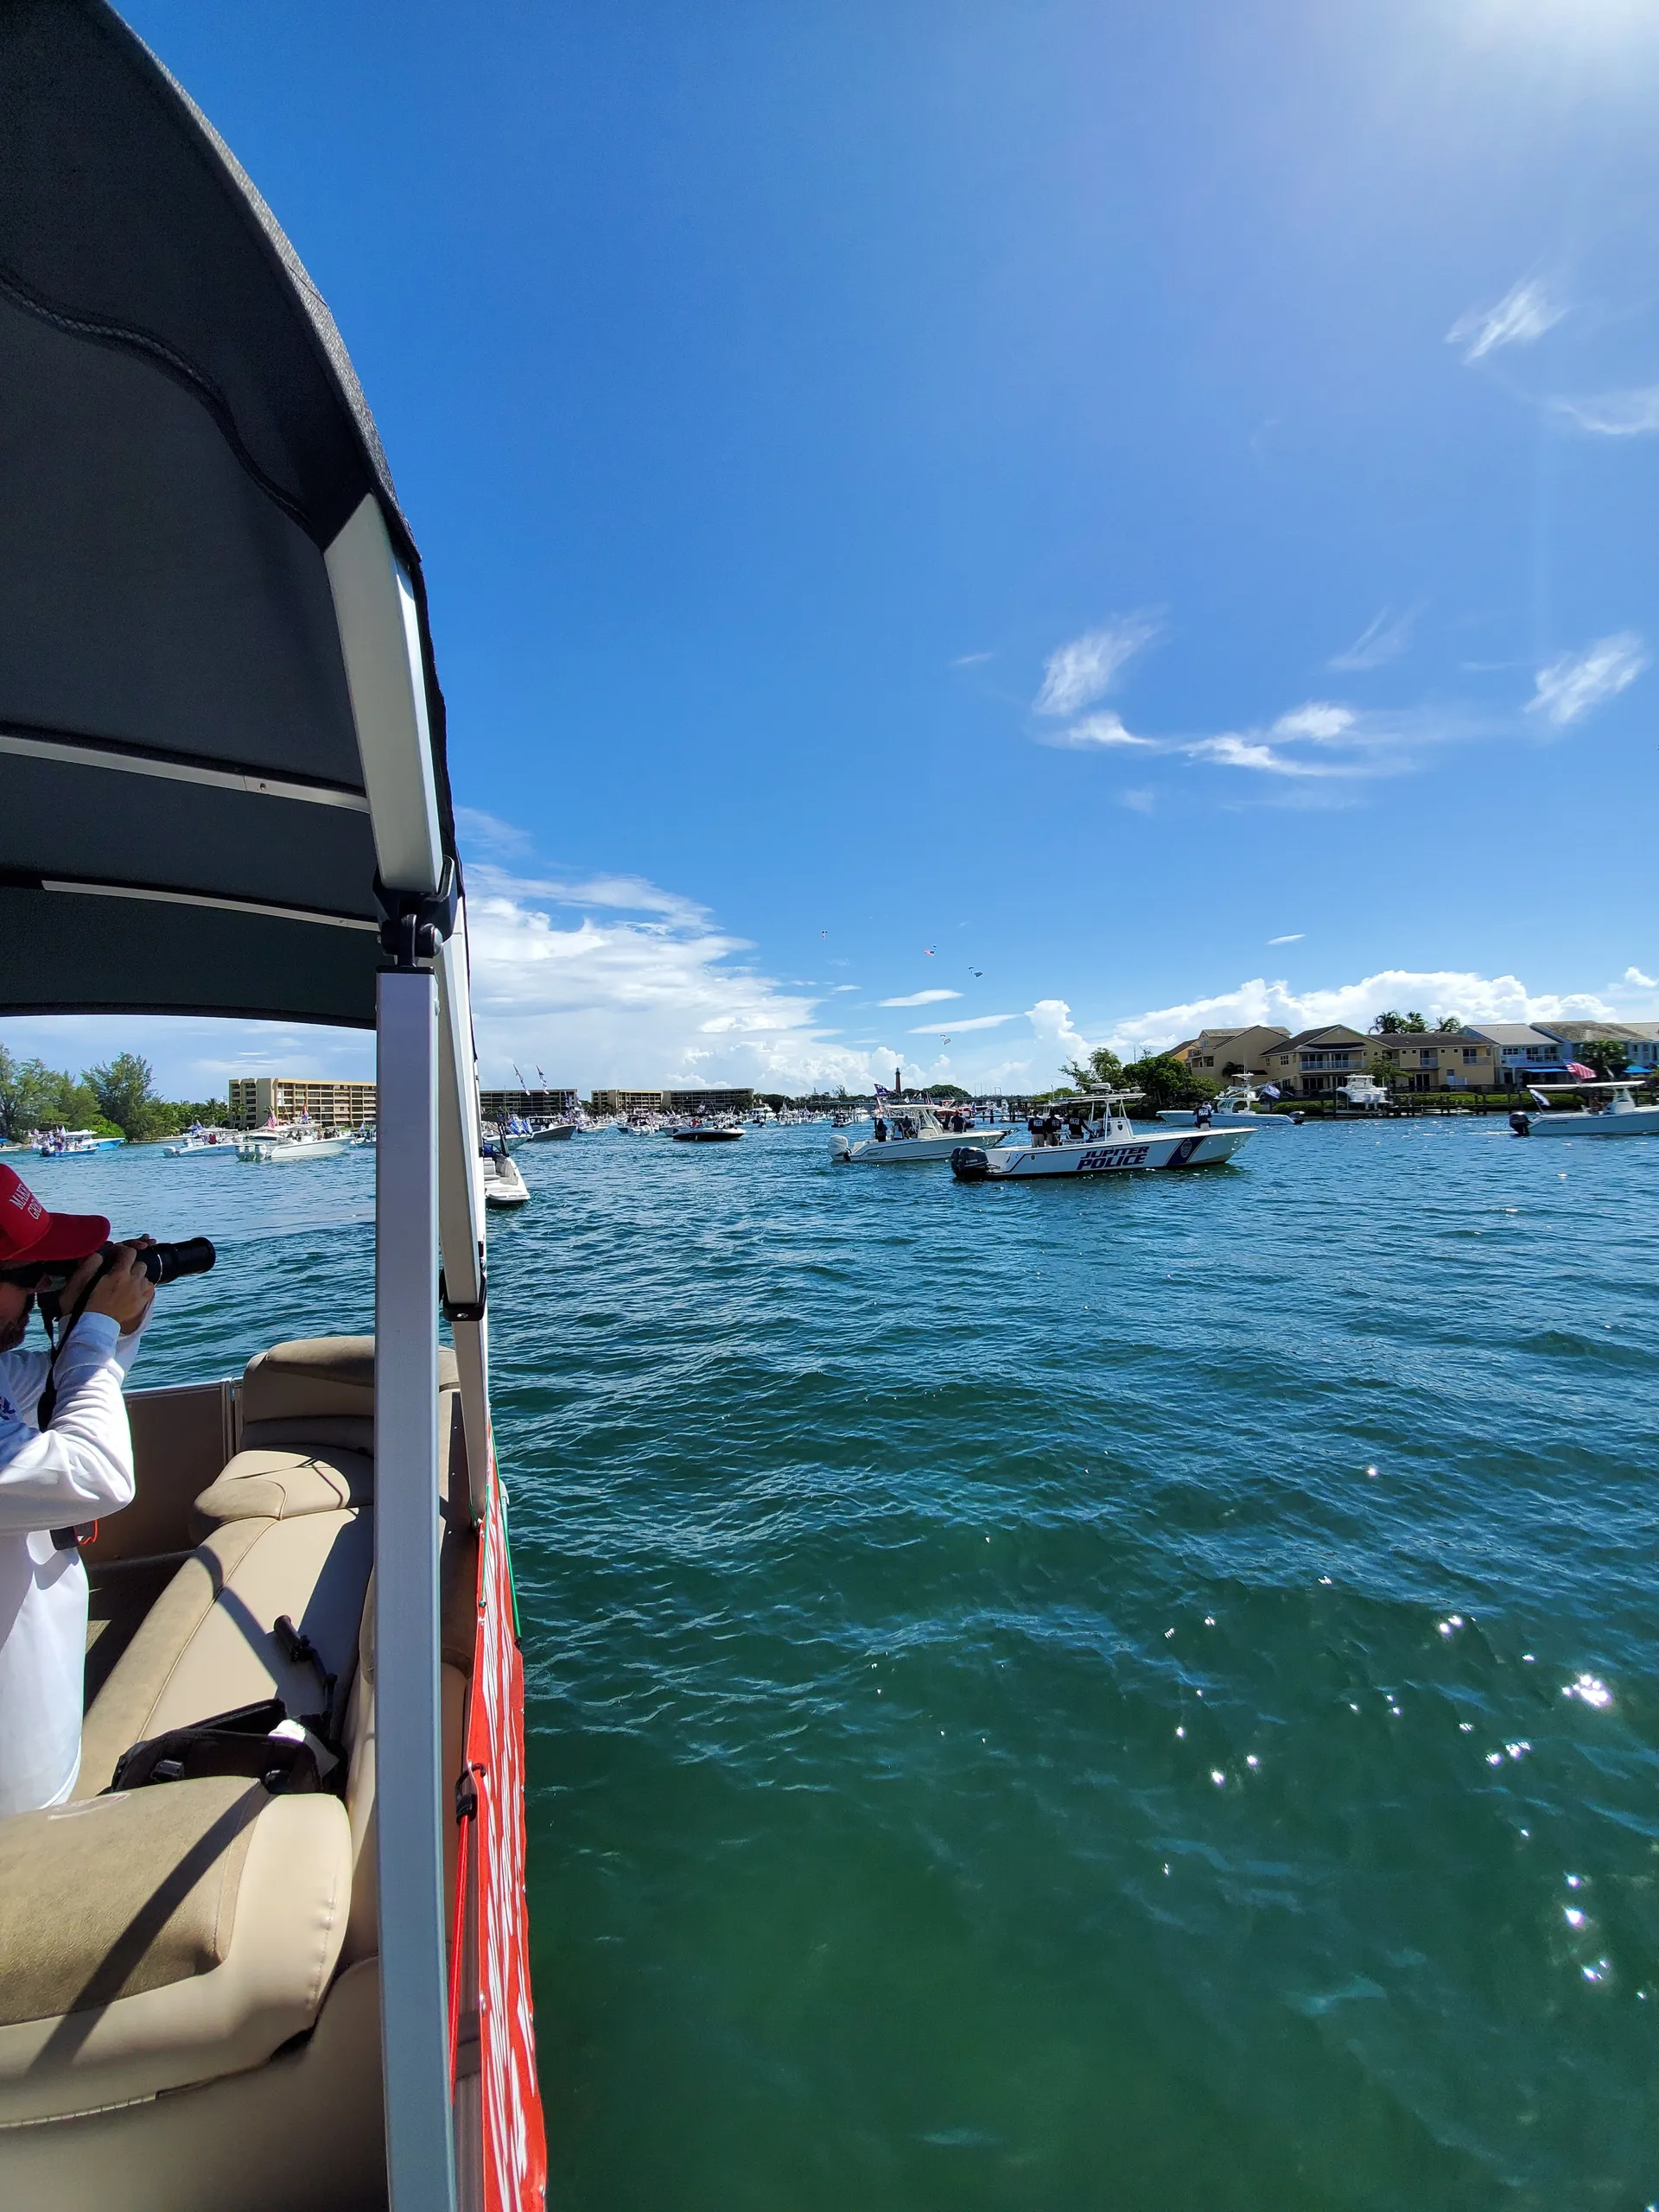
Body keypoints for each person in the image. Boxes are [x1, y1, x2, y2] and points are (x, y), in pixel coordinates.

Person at [0, 1165, 154, 1815]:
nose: (42, 1286)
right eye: (25, 1275)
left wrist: (114, 1315)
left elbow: (70, 1384)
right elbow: (96, 1475)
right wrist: (94, 1328)